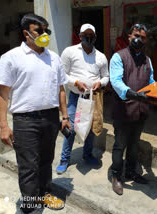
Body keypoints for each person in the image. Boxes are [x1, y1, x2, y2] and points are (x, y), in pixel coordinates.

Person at [0, 14, 70, 213]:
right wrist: (3, 125)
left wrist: (65, 117)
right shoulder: (11, 58)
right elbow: (2, 94)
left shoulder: (54, 58)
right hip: (26, 121)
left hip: (51, 118)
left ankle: (44, 193)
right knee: (28, 167)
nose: (44, 34)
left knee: (46, 161)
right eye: (39, 30)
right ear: (26, 33)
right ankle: (30, 205)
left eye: (47, 31)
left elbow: (61, 89)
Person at [56, 23, 109, 174]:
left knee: (91, 128)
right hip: (75, 97)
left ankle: (87, 154)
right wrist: (76, 82)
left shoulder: (101, 56)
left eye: (91, 35)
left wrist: (101, 82)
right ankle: (64, 159)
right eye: (85, 35)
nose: (89, 37)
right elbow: (62, 74)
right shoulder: (69, 52)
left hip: (94, 97)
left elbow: (106, 76)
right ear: (79, 36)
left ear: (96, 37)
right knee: (71, 129)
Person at [109, 24, 155, 195]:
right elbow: (116, 81)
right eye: (136, 35)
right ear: (129, 36)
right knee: (120, 145)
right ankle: (116, 176)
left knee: (134, 145)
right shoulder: (118, 57)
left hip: (141, 111)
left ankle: (131, 172)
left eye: (143, 37)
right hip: (123, 111)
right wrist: (133, 94)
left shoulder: (147, 60)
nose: (139, 39)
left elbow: (151, 82)